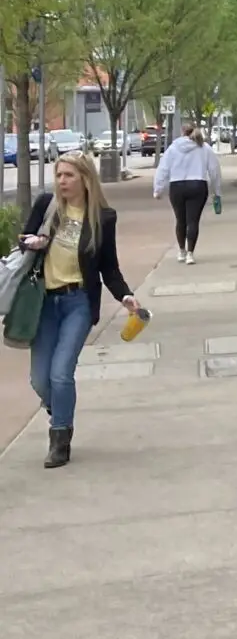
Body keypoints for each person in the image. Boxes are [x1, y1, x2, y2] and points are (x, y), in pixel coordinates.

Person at [14, 152, 147, 468]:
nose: (62, 181)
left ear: (85, 179)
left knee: (61, 374)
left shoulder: (103, 217)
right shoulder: (46, 205)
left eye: (69, 175)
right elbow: (23, 241)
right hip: (44, 302)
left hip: (78, 302)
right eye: (59, 175)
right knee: (40, 380)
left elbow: (108, 267)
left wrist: (125, 296)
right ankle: (60, 409)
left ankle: (60, 439)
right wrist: (32, 242)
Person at [153, 118, 221, 261]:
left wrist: (158, 188)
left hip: (177, 186)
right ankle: (190, 253)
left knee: (180, 220)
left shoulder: (173, 148)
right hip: (198, 185)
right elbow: (214, 170)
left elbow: (163, 169)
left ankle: (181, 251)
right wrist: (217, 191)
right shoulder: (204, 147)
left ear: (182, 132)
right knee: (193, 221)